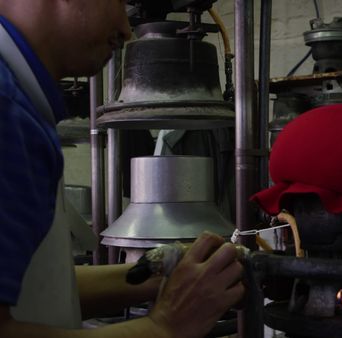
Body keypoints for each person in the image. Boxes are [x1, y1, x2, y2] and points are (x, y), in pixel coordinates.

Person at [0, 1, 245, 337]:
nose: (126, 27)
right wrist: (165, 327)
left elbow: (38, 286)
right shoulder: (5, 111)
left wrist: (162, 275)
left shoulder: (18, 102)